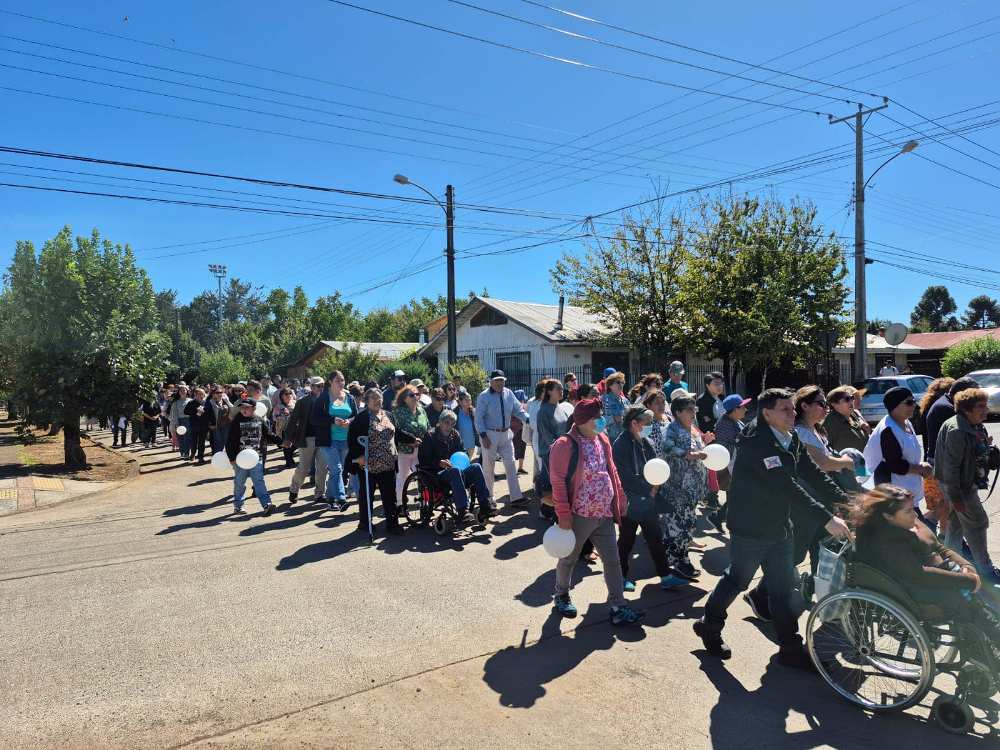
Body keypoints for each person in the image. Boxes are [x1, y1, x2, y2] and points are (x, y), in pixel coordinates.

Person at [694, 387, 852, 668]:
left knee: (782, 587)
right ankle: (710, 625)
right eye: (785, 410)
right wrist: (827, 518)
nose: (793, 414)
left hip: (779, 523)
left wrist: (847, 502)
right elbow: (787, 486)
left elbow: (812, 473)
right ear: (767, 414)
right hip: (751, 526)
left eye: (793, 408)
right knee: (737, 580)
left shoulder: (789, 436)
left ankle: (790, 649)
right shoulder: (757, 443)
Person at [548, 397, 644, 626]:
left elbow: (612, 471)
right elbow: (557, 481)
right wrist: (564, 515)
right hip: (579, 515)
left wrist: (620, 498)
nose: (602, 420)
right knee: (569, 558)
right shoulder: (564, 445)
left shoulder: (602, 438)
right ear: (583, 421)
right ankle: (561, 595)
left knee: (613, 561)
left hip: (604, 514)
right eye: (597, 417)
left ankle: (618, 606)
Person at [936, 388, 1000, 582]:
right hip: (959, 487)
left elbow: (974, 454)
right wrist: (956, 497)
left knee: (956, 526)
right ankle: (986, 571)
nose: (986, 410)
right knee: (978, 524)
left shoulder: (973, 425)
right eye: (980, 407)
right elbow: (951, 467)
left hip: (961, 484)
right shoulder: (957, 430)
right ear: (966, 409)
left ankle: (951, 567)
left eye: (985, 406)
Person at [613, 405, 675, 591]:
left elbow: (656, 465)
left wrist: (655, 488)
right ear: (634, 423)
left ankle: (666, 576)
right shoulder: (620, 445)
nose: (649, 426)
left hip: (648, 501)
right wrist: (649, 490)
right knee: (626, 541)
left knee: (655, 538)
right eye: (646, 423)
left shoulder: (645, 441)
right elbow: (624, 477)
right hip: (630, 502)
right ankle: (620, 578)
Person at [659, 394, 710, 581]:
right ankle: (680, 562)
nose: (693, 412)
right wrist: (687, 455)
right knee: (679, 526)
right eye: (689, 409)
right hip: (677, 488)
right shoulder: (671, 428)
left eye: (694, 409)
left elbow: (699, 450)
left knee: (687, 524)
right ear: (678, 412)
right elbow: (667, 447)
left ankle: (673, 560)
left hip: (693, 488)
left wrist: (706, 442)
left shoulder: (693, 429)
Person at [863, 387, 932, 518]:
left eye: (914, 401)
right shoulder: (888, 430)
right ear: (894, 406)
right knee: (919, 528)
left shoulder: (906, 422)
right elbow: (895, 465)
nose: (914, 405)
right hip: (895, 499)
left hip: (907, 495)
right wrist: (921, 468)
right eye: (909, 402)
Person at [417, 409, 495, 523]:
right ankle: (463, 510)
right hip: (436, 474)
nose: (449, 426)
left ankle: (485, 505)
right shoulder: (430, 436)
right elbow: (424, 459)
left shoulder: (455, 435)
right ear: (440, 422)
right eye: (446, 422)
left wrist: (465, 457)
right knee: (455, 471)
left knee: (476, 467)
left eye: (452, 423)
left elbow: (462, 452)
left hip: (456, 471)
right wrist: (439, 462)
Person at [347, 388, 402, 536]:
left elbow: (397, 433)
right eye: (374, 398)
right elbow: (352, 440)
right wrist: (358, 456)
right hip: (368, 464)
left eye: (380, 397)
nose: (378, 400)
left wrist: (412, 439)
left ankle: (392, 523)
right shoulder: (361, 418)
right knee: (367, 495)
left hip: (388, 463)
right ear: (366, 401)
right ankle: (365, 523)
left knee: (389, 495)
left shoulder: (388, 415)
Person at [475, 370, 529, 507]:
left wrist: (528, 419)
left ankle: (516, 497)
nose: (500, 383)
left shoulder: (509, 393)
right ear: (491, 382)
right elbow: (478, 418)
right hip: (489, 434)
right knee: (488, 467)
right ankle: (489, 499)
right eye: (497, 380)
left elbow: (518, 410)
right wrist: (483, 436)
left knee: (511, 465)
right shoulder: (484, 396)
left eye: (502, 380)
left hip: (505, 434)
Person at [794, 386, 858, 491]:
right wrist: (846, 462)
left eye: (826, 404)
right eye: (821, 404)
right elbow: (822, 463)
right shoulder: (801, 432)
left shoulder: (816, 428)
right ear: (805, 406)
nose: (826, 408)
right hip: (815, 488)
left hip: (827, 482)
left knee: (851, 452)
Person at [310, 371, 357, 511]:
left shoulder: (349, 397)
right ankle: (341, 499)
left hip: (346, 440)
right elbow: (314, 419)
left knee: (337, 471)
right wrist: (332, 420)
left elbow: (356, 416)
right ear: (330, 382)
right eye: (338, 380)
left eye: (342, 380)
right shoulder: (324, 397)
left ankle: (330, 499)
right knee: (336, 469)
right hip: (328, 440)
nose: (341, 383)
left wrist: (349, 421)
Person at [224, 398, 277, 516]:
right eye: (242, 407)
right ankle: (238, 506)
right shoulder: (236, 421)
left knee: (259, 481)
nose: (244, 409)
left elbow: (269, 434)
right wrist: (232, 458)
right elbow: (230, 441)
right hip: (240, 459)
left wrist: (281, 442)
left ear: (254, 408)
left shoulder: (259, 420)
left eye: (247, 408)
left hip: (256, 458)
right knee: (240, 483)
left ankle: (267, 504)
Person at [707, 393, 750, 532]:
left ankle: (719, 517)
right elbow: (733, 444)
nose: (746, 409)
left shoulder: (736, 421)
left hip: (737, 463)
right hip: (730, 465)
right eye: (742, 407)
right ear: (734, 409)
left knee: (736, 494)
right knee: (738, 494)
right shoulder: (724, 424)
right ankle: (724, 519)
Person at [284, 377, 328, 504]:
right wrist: (287, 438)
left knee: (322, 468)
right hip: (307, 438)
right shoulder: (302, 402)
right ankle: (294, 489)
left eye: (322, 386)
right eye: (318, 386)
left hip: (323, 438)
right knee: (303, 468)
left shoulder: (328, 400)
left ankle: (320, 494)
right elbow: (293, 420)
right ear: (312, 387)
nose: (320, 388)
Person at [534, 379, 574, 520]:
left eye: (562, 389)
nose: (562, 391)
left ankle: (549, 511)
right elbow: (546, 436)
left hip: (564, 451)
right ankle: (551, 512)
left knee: (558, 483)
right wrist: (559, 450)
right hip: (550, 453)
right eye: (559, 389)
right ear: (549, 391)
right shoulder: (543, 411)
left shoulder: (561, 408)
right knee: (553, 484)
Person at [924, 377, 979, 465]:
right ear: (963, 395)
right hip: (943, 461)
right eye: (974, 397)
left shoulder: (948, 403)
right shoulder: (946, 408)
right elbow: (962, 437)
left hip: (946, 458)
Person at [393, 385, 429, 505]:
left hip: (421, 449)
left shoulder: (422, 410)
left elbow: (427, 427)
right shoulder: (398, 412)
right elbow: (396, 431)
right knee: (403, 477)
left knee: (423, 476)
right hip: (405, 449)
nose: (415, 397)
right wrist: (411, 440)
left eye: (417, 394)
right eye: (412, 395)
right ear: (404, 398)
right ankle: (400, 503)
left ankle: (425, 503)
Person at [822, 385, 869, 453]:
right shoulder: (830, 422)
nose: (851, 401)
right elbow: (824, 448)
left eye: (852, 398)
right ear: (834, 404)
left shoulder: (854, 415)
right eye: (847, 399)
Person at [183, 387, 215, 464]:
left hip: (204, 425)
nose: (201, 396)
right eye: (199, 394)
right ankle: (193, 453)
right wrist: (196, 410)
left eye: (202, 394)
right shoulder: (191, 403)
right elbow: (185, 412)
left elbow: (210, 413)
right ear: (195, 395)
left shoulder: (206, 403)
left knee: (202, 442)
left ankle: (201, 457)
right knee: (193, 441)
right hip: (194, 425)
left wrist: (211, 422)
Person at [600, 372, 629, 444]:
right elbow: (597, 422)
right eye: (618, 382)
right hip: (609, 439)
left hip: (624, 438)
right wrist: (613, 418)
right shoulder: (603, 400)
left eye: (622, 382)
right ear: (610, 385)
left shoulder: (625, 401)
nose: (621, 385)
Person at [641, 389, 671, 457]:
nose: (661, 405)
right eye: (657, 403)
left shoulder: (669, 419)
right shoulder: (646, 424)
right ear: (648, 405)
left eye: (663, 402)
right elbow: (643, 447)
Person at [272, 387, 297, 469]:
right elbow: (274, 418)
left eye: (290, 393)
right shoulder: (278, 407)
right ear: (281, 396)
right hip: (284, 429)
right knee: (287, 446)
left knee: (296, 444)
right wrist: (283, 415)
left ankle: (290, 459)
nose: (288, 395)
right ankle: (289, 462)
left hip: (296, 428)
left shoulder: (295, 403)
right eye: (286, 394)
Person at [169, 384, 192, 459]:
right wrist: (176, 424)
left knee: (187, 437)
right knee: (180, 438)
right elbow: (174, 414)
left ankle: (186, 453)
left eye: (184, 390)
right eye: (181, 390)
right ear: (178, 392)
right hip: (180, 421)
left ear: (187, 391)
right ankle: (182, 453)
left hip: (189, 421)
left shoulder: (191, 401)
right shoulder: (175, 402)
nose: (182, 391)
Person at [207, 386, 233, 455]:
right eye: (217, 392)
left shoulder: (225, 400)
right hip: (216, 425)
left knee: (226, 441)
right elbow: (207, 415)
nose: (219, 394)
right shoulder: (209, 402)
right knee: (218, 442)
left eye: (221, 392)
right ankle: (218, 457)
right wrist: (210, 424)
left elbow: (233, 409)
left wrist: (227, 401)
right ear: (213, 394)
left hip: (226, 425)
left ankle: (227, 456)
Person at [511, 388, 529, 475]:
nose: (523, 400)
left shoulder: (524, 406)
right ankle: (512, 469)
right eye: (521, 398)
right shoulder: (512, 406)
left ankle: (520, 468)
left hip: (523, 429)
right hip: (514, 430)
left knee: (522, 447)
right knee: (514, 449)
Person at [456, 391, 477, 457]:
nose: (469, 402)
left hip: (471, 445)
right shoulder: (455, 412)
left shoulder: (474, 412)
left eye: (470, 400)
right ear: (460, 401)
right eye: (466, 400)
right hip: (459, 445)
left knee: (468, 461)